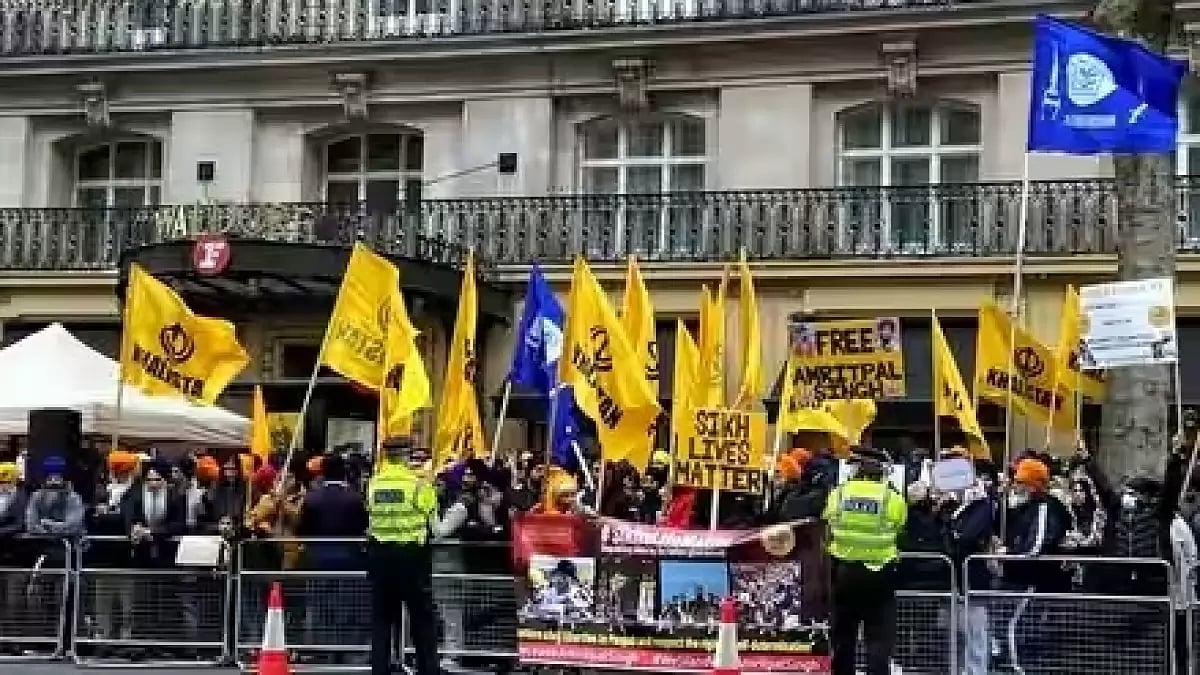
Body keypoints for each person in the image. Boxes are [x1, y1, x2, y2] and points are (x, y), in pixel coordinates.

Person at [822, 447, 906, 675]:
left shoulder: (838, 494)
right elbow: (900, 530)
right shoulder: (893, 499)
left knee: (843, 638)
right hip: (880, 577)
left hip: (844, 574)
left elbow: (828, 527)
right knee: (879, 639)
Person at [366, 438, 440, 675]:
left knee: (381, 620)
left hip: (380, 558)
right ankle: (428, 670)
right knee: (421, 619)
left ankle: (379, 669)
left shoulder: (373, 484)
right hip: (412, 559)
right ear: (407, 456)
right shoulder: (419, 485)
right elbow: (435, 526)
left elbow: (370, 516)